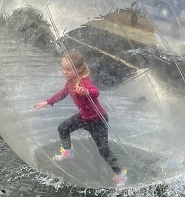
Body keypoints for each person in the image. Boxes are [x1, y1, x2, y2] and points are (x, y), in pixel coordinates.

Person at [34, 50, 128, 187]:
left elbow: (96, 92)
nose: (65, 72)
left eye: (68, 70)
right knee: (63, 128)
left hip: (98, 120)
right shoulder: (70, 82)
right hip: (84, 117)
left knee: (104, 150)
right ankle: (68, 152)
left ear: (78, 69)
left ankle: (120, 174)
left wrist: (86, 92)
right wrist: (48, 102)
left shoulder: (83, 82)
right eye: (63, 69)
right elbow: (63, 93)